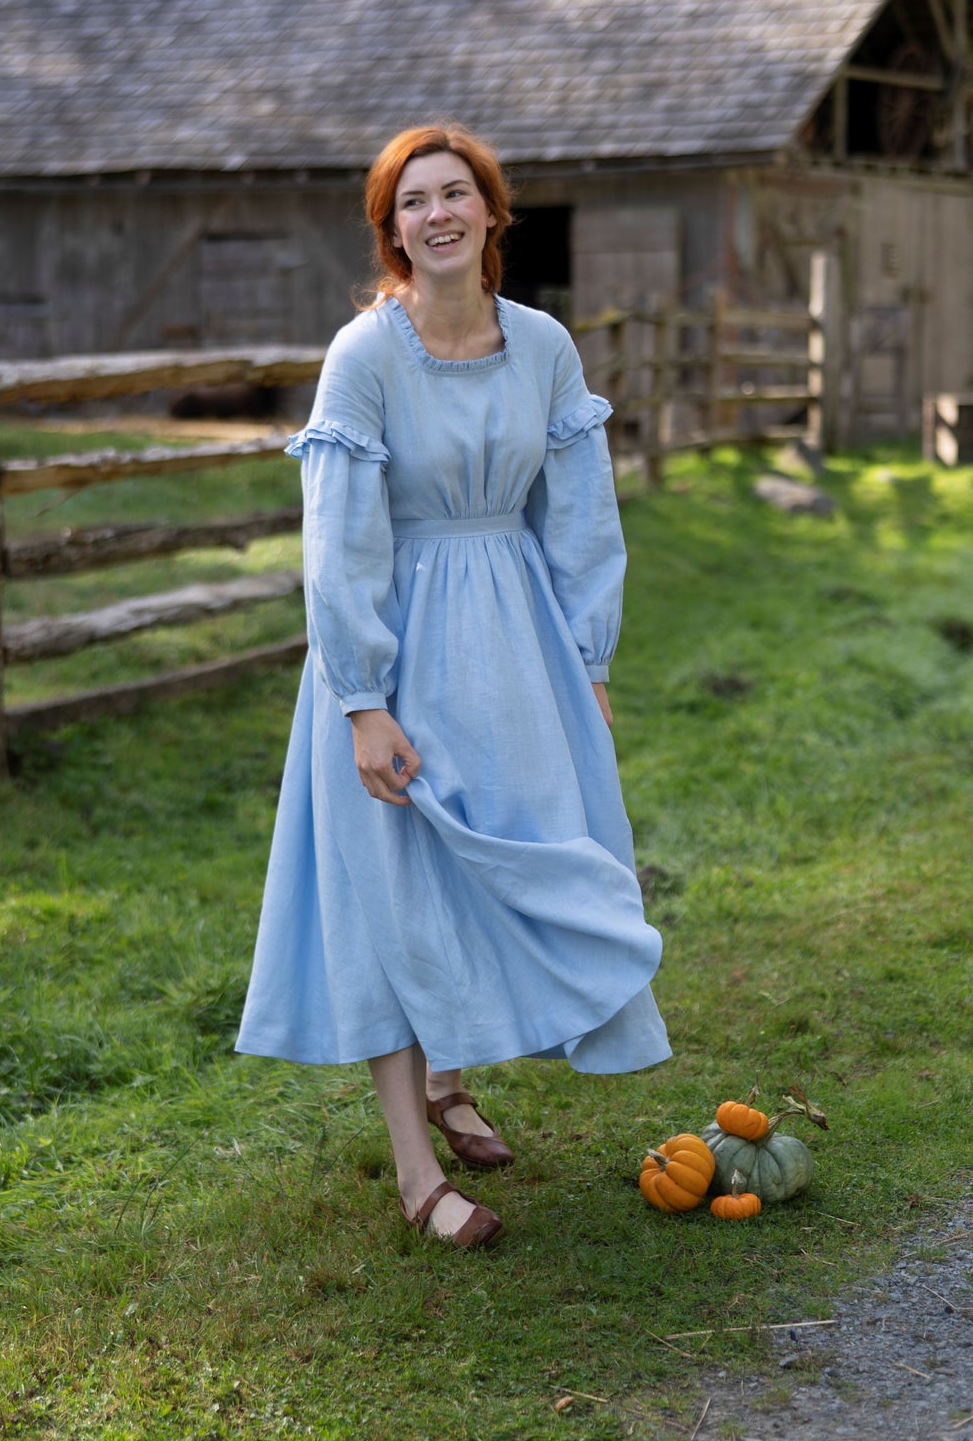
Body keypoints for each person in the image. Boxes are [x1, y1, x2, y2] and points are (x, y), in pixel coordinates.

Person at [236, 124, 669, 1246]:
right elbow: (339, 540)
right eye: (411, 201)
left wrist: (589, 660)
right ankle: (414, 1165)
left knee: (491, 856)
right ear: (390, 230)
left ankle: (449, 1072)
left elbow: (579, 518)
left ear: (490, 213)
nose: (435, 214)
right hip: (396, 640)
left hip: (516, 641)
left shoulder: (541, 347)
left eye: (454, 193)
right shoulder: (364, 355)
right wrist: (361, 697)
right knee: (397, 871)